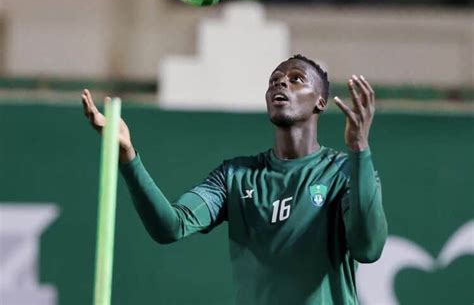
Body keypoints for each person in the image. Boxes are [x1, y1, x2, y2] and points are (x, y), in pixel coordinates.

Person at [82, 54, 387, 305]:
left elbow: (367, 249)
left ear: (320, 101)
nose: (281, 81)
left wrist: (359, 149)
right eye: (275, 80)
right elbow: (170, 226)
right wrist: (128, 157)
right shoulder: (236, 176)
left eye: (297, 79)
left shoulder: (345, 172)